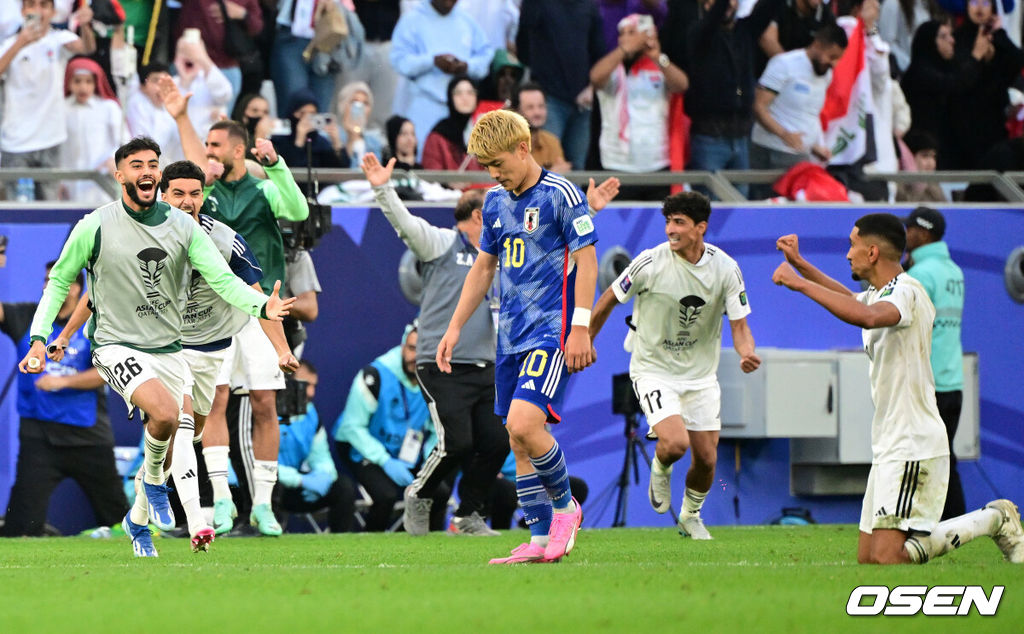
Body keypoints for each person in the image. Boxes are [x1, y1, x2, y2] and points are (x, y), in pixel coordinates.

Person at [20, 136, 294, 558]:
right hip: (116, 346)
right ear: (120, 175)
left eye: (152, 163)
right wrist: (43, 338)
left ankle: (139, 515)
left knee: (179, 435)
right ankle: (192, 514)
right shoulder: (94, 225)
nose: (146, 171)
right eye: (136, 165)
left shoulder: (184, 227)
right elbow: (63, 283)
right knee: (168, 416)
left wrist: (261, 304)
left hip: (172, 349)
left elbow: (222, 279)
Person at [771, 213, 1024, 565]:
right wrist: (801, 265)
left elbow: (870, 317)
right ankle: (991, 519)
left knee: (889, 558)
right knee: (869, 559)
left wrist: (799, 284)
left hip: (912, 442)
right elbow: (849, 299)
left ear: (872, 252)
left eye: (852, 244)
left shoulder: (907, 291)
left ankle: (992, 520)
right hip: (890, 440)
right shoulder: (882, 292)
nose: (847, 254)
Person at [438, 109, 598, 564]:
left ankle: (567, 507)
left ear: (523, 149)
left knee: (527, 424)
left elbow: (587, 261)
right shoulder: (493, 200)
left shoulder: (561, 194)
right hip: (509, 337)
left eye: (498, 164)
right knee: (516, 436)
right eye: (487, 167)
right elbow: (484, 268)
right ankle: (542, 539)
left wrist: (581, 326)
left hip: (552, 330)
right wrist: (455, 326)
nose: (494, 173)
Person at [589, 192, 761, 539]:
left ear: (701, 228)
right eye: (668, 222)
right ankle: (661, 466)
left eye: (679, 222)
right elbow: (608, 297)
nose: (670, 229)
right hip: (653, 369)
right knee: (674, 443)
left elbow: (740, 326)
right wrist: (584, 338)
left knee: (707, 460)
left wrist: (746, 352)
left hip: (700, 377)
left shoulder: (726, 268)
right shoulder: (650, 262)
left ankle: (690, 515)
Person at [199, 117, 309, 536]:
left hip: (262, 306)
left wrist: (278, 165)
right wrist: (205, 184)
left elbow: (298, 211)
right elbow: (181, 216)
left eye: (216, 146)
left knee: (265, 403)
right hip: (213, 307)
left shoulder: (263, 189)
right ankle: (222, 499)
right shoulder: (202, 192)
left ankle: (262, 505)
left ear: (238, 150)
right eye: (207, 146)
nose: (210, 153)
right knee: (215, 402)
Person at [0, 263, 127, 537]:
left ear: (79, 289)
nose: (51, 285)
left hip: (88, 437)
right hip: (40, 440)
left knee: (122, 521)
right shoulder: (27, 318)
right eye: (48, 279)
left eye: (61, 281)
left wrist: (61, 381)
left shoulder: (96, 325)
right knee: (20, 529)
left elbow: (107, 372)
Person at [335, 325, 449, 532]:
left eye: (423, 352)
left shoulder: (434, 379)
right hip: (361, 447)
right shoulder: (375, 375)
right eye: (412, 348)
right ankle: (370, 548)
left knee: (438, 492)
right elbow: (352, 427)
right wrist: (385, 461)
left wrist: (426, 460)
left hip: (404, 451)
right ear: (402, 346)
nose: (415, 357)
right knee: (384, 496)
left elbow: (436, 429)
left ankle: (422, 546)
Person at [903, 208, 966, 520]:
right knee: (945, 459)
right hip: (952, 380)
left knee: (923, 459)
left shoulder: (920, 275)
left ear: (924, 233)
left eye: (910, 228)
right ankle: (955, 522)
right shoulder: (954, 271)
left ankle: (933, 523)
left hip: (929, 384)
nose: (906, 234)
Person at [0, 0, 95, 201]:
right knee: (18, 213)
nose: (38, 11)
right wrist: (21, 42)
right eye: (32, 5)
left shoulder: (60, 39)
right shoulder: (9, 44)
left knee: (51, 209)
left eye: (44, 5)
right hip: (16, 142)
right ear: (23, 10)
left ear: (53, 12)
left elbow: (87, 47)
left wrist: (86, 25)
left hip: (51, 138)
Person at [684, 0, 782, 193]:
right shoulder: (699, 33)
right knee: (706, 206)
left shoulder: (745, 31)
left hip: (741, 137)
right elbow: (713, 19)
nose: (728, 5)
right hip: (709, 138)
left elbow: (769, 8)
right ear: (706, 5)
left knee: (740, 207)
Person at [590, 13, 689, 200]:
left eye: (633, 33)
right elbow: (595, 77)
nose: (627, 38)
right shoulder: (613, 69)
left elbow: (682, 84)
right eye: (623, 33)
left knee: (658, 226)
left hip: (657, 165)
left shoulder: (660, 68)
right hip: (617, 165)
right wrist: (623, 50)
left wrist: (657, 56)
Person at [389, 0, 493, 158]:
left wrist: (466, 66)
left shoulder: (467, 21)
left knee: (464, 163)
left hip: (461, 108)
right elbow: (399, 60)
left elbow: (485, 57)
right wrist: (432, 61)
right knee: (422, 158)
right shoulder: (412, 20)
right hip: (426, 103)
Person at [518, 0, 605, 170]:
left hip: (583, 102)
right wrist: (539, 88)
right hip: (548, 98)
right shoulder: (537, 4)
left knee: (577, 168)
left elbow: (599, 52)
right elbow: (523, 46)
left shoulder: (589, 6)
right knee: (545, 163)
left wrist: (591, 88)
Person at [750, 23, 847, 175]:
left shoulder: (826, 75)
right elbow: (758, 106)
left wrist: (814, 147)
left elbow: (809, 113)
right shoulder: (784, 64)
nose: (834, 63)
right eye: (831, 56)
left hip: (802, 155)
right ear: (817, 45)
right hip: (773, 151)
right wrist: (783, 134)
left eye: (838, 58)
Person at [276, 360, 357, 533]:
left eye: (314, 386)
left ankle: (341, 549)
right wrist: (300, 480)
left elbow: (321, 457)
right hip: (270, 486)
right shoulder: (265, 409)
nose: (311, 392)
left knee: (343, 487)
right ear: (288, 382)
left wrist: (323, 477)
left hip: (299, 488)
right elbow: (255, 464)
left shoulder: (311, 413)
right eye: (306, 385)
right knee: (269, 485)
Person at [61, 56, 127, 205]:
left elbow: (124, 140)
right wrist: (60, 180)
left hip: (102, 180)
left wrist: (112, 159)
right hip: (70, 182)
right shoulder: (62, 108)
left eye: (88, 81)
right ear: (69, 82)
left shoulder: (108, 107)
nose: (83, 87)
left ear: (96, 83)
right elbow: (57, 148)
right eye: (77, 81)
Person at [270, 88, 350, 172]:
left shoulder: (321, 143)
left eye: (312, 114)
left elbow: (342, 169)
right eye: (302, 113)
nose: (307, 119)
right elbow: (289, 168)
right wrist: (299, 140)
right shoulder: (279, 141)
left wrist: (337, 143)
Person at [421, 76, 484, 174]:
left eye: (470, 93)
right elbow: (431, 175)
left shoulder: (484, 133)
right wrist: (448, 183)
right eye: (458, 93)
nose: (465, 98)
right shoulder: (438, 136)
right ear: (450, 97)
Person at [512, 82, 571, 173]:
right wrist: (550, 175)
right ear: (516, 112)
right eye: (530, 107)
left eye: (541, 106)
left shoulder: (552, 142)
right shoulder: (503, 145)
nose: (537, 112)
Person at [336, 81, 386, 166]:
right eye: (354, 102)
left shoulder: (375, 141)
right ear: (343, 105)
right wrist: (351, 138)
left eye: (365, 103)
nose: (359, 107)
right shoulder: (331, 137)